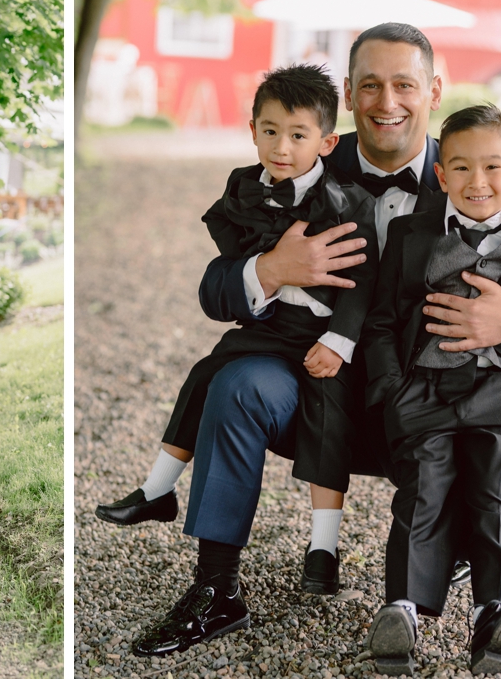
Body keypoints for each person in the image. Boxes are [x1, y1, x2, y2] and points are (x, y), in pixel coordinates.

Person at [129, 24, 501, 657]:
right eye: (371, 86)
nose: (387, 102)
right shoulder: (300, 156)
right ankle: (215, 591)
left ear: (433, 91)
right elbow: (215, 288)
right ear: (347, 94)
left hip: (435, 393)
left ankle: (465, 569)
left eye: (404, 85)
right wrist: (267, 270)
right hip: (313, 382)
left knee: (490, 420)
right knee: (234, 384)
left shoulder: (476, 168)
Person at [95, 65, 378, 596]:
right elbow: (225, 268)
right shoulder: (245, 187)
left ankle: (323, 548)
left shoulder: (346, 202)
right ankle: (158, 489)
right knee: (208, 374)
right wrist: (265, 267)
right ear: (252, 130)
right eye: (270, 131)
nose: (282, 146)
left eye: (298, 135)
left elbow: (363, 280)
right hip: (272, 325)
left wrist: (339, 341)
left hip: (323, 338)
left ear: (327, 141)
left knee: (326, 416)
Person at [362, 106, 501, 676]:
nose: (478, 183)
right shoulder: (411, 235)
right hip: (422, 387)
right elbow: (382, 319)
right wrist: (391, 389)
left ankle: (492, 613)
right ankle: (401, 612)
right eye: (461, 168)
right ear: (441, 175)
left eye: (493, 168)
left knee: (493, 493)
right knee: (422, 491)